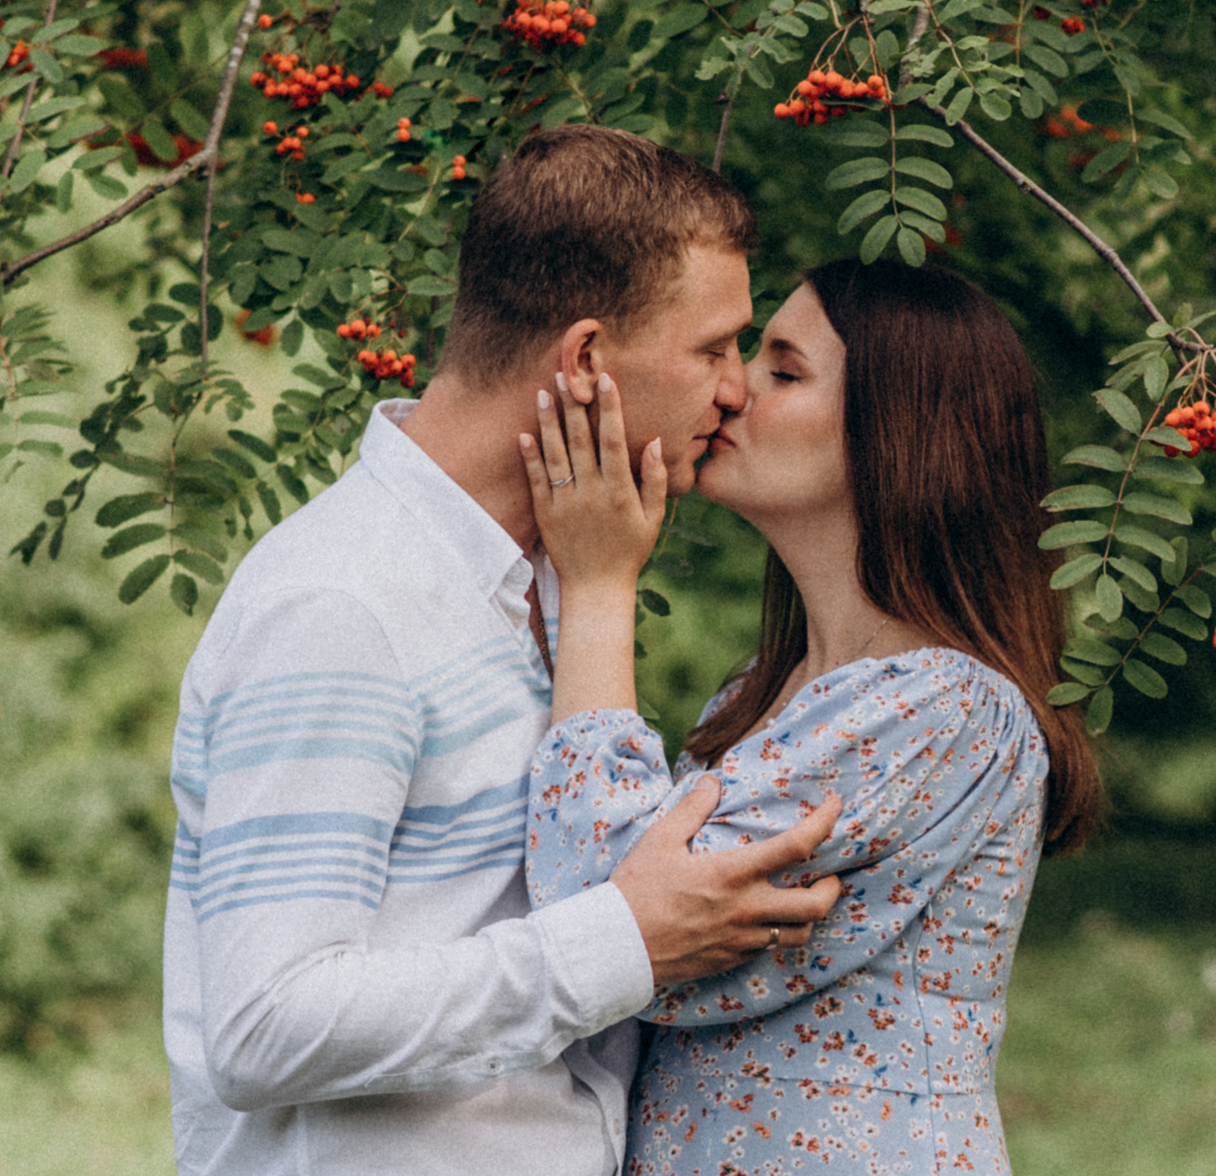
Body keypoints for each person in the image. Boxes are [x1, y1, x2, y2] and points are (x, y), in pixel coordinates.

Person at [164, 126, 849, 1176]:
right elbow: (265, 1024)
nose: (735, 390)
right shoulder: (345, 598)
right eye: (713, 348)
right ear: (585, 360)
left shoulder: (548, 586)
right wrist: (625, 941)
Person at [520, 256, 1102, 1175]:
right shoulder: (763, 692)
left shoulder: (943, 708)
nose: (733, 386)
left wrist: (597, 583)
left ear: (903, 431)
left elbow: (601, 919)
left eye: (784, 370)